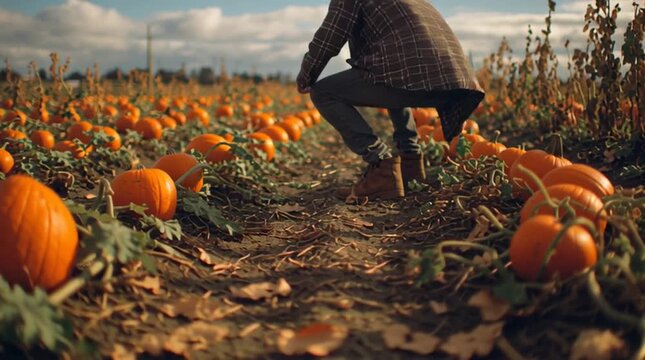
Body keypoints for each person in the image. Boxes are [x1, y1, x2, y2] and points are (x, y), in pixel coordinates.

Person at [297, 0, 485, 201]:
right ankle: (410, 166)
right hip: (455, 81)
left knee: (323, 92)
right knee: (391, 76)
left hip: (417, 73)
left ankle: (382, 167)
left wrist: (305, 76)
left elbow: (329, 37)